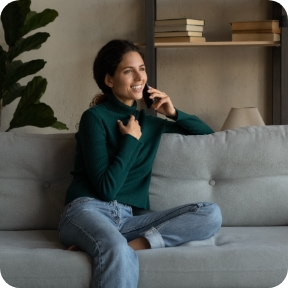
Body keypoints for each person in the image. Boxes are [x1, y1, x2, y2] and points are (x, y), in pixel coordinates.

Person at [58, 39, 222, 288]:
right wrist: (131, 141)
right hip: (86, 211)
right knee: (113, 246)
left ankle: (126, 246)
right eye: (128, 70)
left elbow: (208, 136)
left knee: (210, 213)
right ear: (109, 80)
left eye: (142, 68)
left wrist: (173, 112)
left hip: (126, 219)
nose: (139, 77)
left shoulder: (151, 123)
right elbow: (106, 189)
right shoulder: (94, 118)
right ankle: (111, 245)